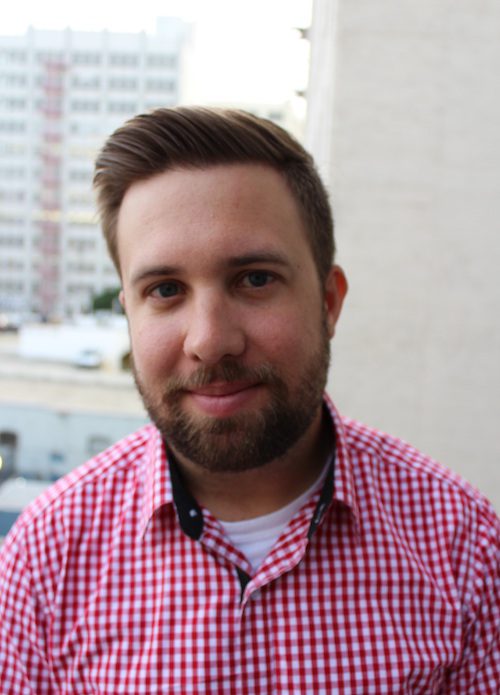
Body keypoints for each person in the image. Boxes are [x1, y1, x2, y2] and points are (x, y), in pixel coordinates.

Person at [0, 107, 498, 694]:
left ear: (328, 302)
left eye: (255, 279)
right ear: (128, 315)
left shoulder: (467, 551)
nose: (210, 341)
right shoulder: (45, 559)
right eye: (165, 290)